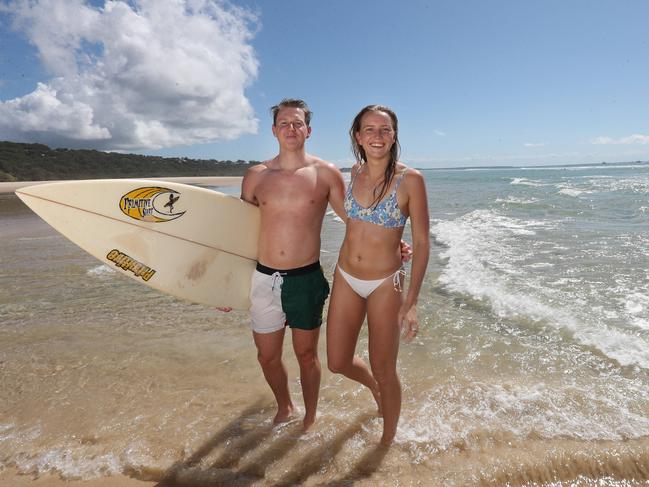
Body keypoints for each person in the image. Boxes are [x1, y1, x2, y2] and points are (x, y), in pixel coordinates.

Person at [239, 98, 346, 430]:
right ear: (273, 130)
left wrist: (391, 245)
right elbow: (238, 232)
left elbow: (352, 220)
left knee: (306, 356)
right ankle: (285, 406)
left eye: (297, 123)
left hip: (306, 279)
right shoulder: (256, 176)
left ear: (308, 130)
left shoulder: (326, 173)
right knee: (267, 356)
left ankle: (311, 416)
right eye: (284, 123)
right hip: (264, 279)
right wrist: (223, 283)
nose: (291, 128)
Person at [326, 104, 430, 445]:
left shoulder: (411, 180)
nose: (377, 136)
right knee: (338, 361)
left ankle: (386, 444)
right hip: (346, 275)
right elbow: (356, 218)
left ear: (394, 135)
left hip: (387, 282)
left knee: (386, 369)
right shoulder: (352, 173)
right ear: (358, 136)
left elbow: (423, 242)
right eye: (369, 129)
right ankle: (372, 387)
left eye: (385, 130)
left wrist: (411, 302)